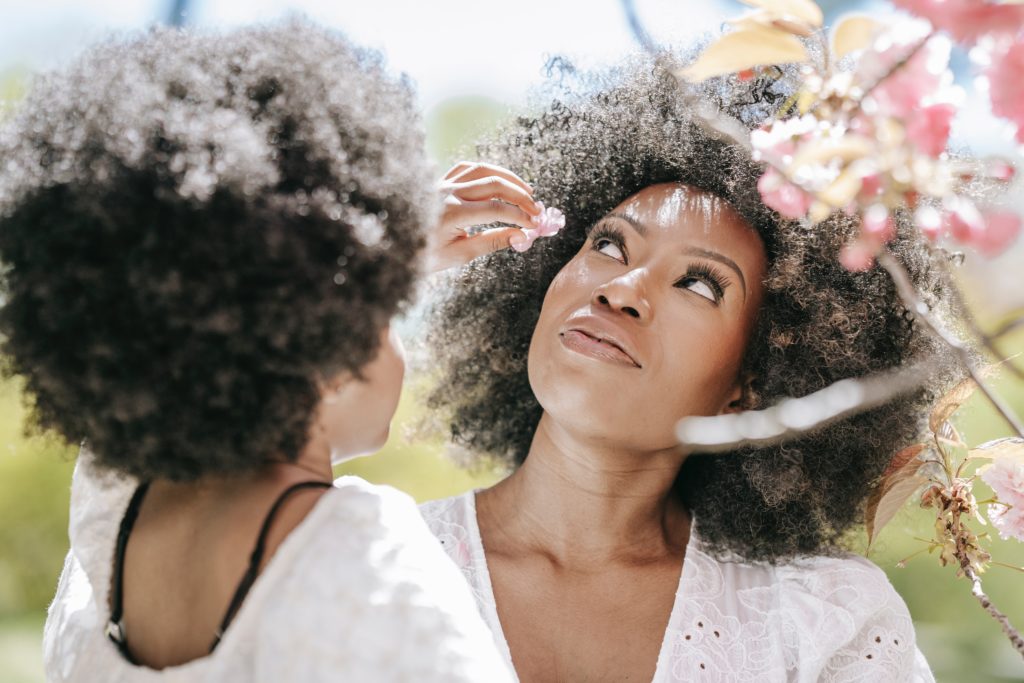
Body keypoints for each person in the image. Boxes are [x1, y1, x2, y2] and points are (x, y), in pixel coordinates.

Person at [0, 21, 514, 681]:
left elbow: (181, 283)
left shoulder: (109, 523)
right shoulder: (367, 564)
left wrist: (367, 253)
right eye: (385, 303)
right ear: (326, 338)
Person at [419, 60, 959, 682]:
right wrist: (364, 279)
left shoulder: (821, 622)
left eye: (699, 285)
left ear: (748, 388)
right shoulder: (363, 550)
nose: (621, 290)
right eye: (609, 245)